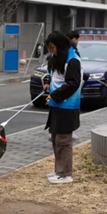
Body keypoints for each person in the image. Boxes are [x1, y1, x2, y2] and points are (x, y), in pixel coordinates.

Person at [44, 31, 82, 184]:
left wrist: (55, 94)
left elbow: (73, 83)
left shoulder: (73, 60)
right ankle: (59, 170)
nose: (52, 51)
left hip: (67, 106)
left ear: (60, 46)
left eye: (53, 48)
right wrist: (48, 84)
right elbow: (54, 75)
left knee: (64, 140)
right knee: (55, 138)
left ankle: (65, 174)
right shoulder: (59, 58)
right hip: (57, 105)